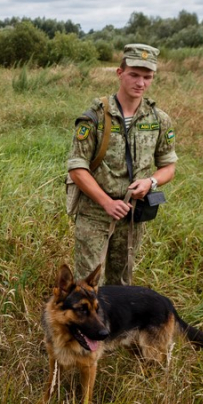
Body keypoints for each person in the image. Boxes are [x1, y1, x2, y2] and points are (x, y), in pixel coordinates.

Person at [66, 44, 177, 285]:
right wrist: (107, 203)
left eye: (147, 77)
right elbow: (76, 169)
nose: (140, 83)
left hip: (132, 214)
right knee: (88, 284)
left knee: (121, 284)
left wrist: (151, 182)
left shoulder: (158, 119)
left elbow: (169, 167)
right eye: (134, 75)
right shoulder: (95, 117)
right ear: (120, 73)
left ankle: (114, 313)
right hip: (95, 212)